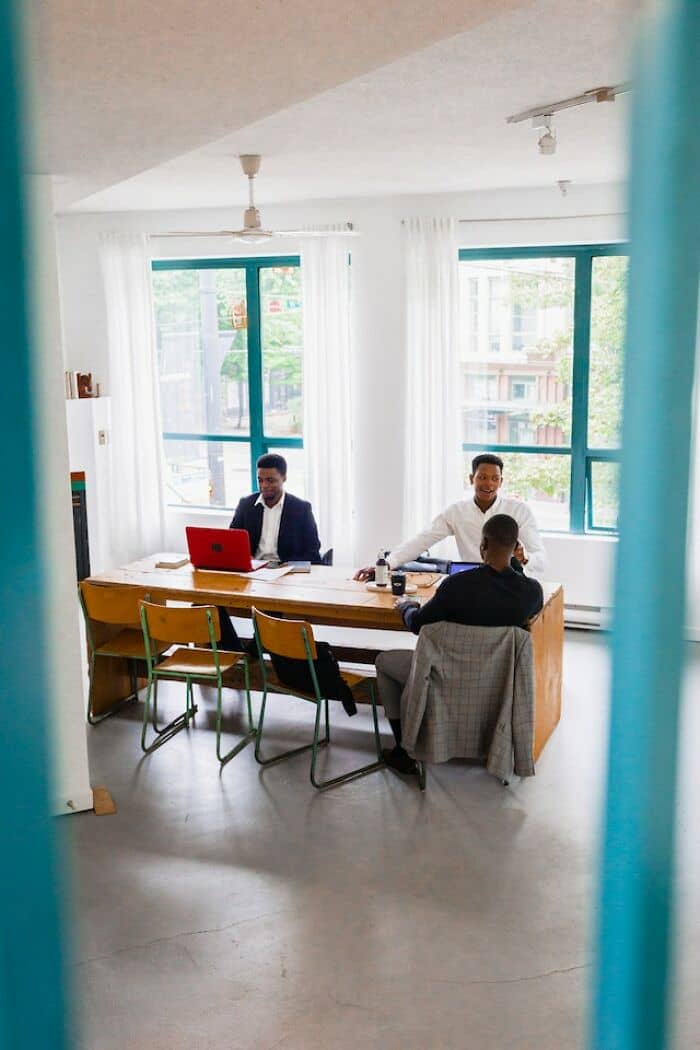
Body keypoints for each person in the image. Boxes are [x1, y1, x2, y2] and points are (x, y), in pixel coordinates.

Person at [376, 514, 543, 776]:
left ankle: (404, 749)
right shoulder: (531, 593)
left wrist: (406, 606)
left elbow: (418, 625)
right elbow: (516, 587)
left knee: (384, 662)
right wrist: (515, 565)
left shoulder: (455, 586)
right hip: (495, 684)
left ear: (483, 545)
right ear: (516, 548)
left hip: (443, 680)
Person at [355, 453, 546, 581]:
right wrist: (387, 564)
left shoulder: (519, 510)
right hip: (472, 581)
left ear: (501, 482)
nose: (489, 484)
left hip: (510, 582)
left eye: (495, 479)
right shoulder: (457, 512)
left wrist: (525, 558)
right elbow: (422, 540)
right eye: (482, 477)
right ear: (471, 479)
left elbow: (541, 559)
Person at [217, 453, 322, 651]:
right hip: (252, 573)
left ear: (284, 478)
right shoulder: (246, 505)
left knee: (272, 603)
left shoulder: (301, 509)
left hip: (285, 576)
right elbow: (231, 542)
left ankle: (255, 650)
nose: (264, 485)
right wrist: (245, 558)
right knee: (207, 603)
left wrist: (286, 567)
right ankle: (236, 651)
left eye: (271, 480)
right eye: (260, 480)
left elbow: (313, 553)